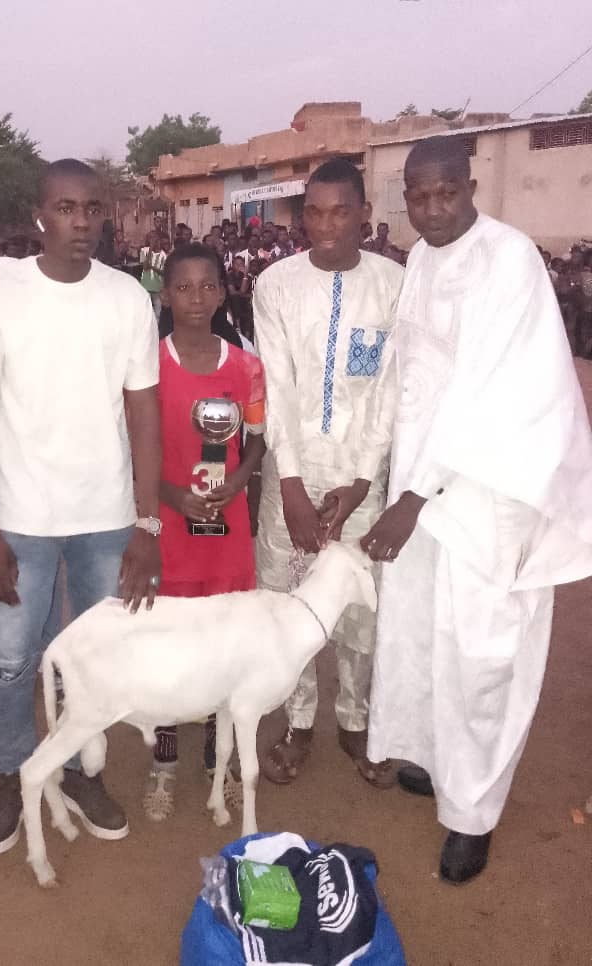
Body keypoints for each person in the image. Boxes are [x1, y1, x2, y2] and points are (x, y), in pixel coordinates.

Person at [361, 135, 592, 884]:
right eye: (418, 197)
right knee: (429, 636)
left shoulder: (510, 258)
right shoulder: (424, 259)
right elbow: (413, 376)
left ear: (470, 186)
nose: (431, 210)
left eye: (445, 193)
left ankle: (474, 814)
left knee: (481, 656)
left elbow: (478, 395)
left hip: (491, 491)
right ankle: (436, 758)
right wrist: (392, 478)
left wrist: (409, 498)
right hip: (426, 488)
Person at [0, 158, 161, 857]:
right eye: (65, 208)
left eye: (91, 208)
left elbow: (144, 411)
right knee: (12, 659)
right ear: (40, 215)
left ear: (105, 214)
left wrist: (147, 522)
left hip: (105, 515)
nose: (80, 221)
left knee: (95, 656)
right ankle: (13, 774)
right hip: (19, 516)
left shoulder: (126, 296)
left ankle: (79, 769)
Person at [253, 158, 403, 788]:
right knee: (289, 602)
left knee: (361, 604)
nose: (325, 225)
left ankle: (355, 718)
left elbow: (391, 390)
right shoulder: (275, 284)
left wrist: (363, 480)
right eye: (313, 211)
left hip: (361, 473)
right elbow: (278, 386)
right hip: (292, 470)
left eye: (340, 210)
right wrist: (289, 483)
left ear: (364, 213)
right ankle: (299, 720)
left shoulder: (394, 285)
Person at [143, 243, 266, 821]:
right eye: (183, 287)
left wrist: (235, 483)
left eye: (207, 286)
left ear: (223, 292)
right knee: (169, 642)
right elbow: (134, 449)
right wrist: (174, 496)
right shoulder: (147, 364)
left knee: (227, 643)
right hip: (169, 524)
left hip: (225, 526)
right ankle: (163, 759)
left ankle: (221, 761)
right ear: (165, 295)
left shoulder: (245, 366)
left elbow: (256, 441)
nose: (196, 298)